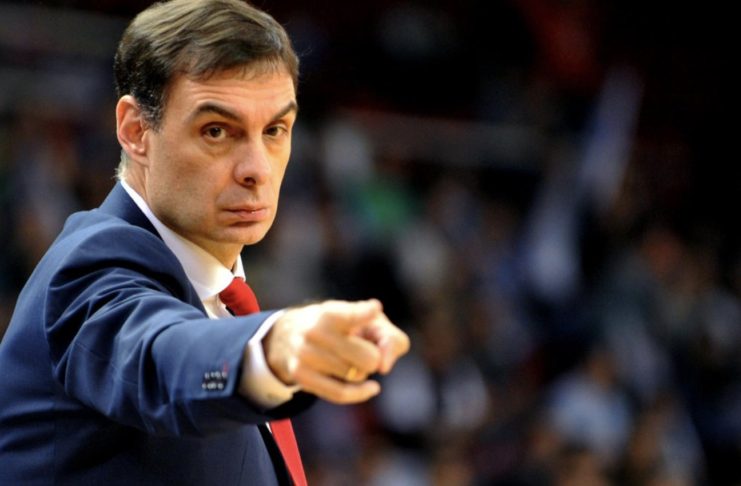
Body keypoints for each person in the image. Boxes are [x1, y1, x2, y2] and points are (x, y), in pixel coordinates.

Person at [0, 0, 410, 484]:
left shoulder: (218, 296)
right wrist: (270, 350)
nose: (257, 169)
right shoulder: (90, 267)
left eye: (275, 130)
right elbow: (163, 357)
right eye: (217, 131)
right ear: (136, 131)